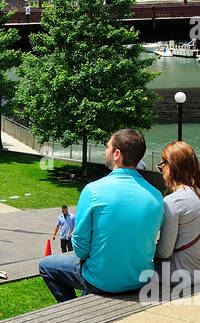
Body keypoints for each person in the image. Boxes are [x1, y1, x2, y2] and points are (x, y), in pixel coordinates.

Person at [38, 129, 164, 302]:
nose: (105, 151)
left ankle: (71, 309)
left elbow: (81, 250)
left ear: (117, 154)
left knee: (46, 265)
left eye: (108, 147)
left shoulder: (93, 191)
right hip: (140, 279)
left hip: (103, 282)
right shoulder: (156, 196)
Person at [154, 142, 200, 277]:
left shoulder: (173, 202)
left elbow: (164, 252)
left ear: (172, 166)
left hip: (178, 275)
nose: (161, 170)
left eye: (162, 165)